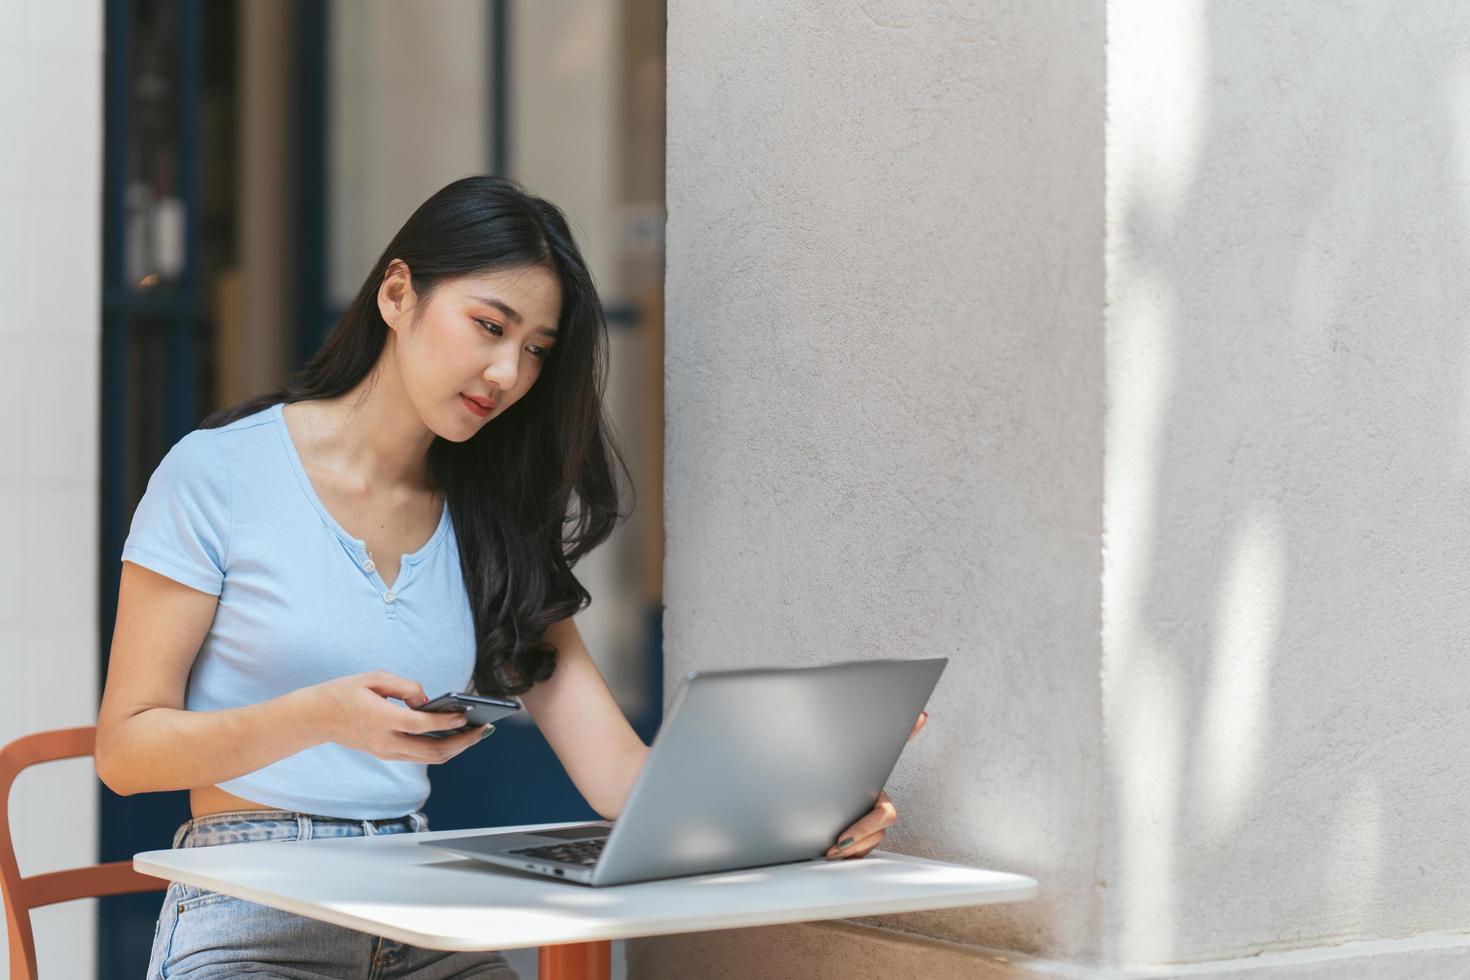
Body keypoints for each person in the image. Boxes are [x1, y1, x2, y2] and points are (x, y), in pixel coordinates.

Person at [96, 174, 922, 979]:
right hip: (254, 908)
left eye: (534, 351)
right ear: (397, 295)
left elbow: (621, 782)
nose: (508, 374)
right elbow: (126, 751)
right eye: (489, 326)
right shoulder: (219, 475)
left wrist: (806, 806)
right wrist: (320, 717)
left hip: (419, 913)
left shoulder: (493, 522)